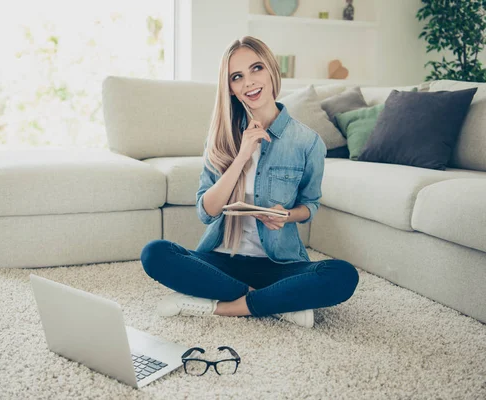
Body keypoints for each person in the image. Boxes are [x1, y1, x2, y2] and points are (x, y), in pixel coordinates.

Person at [140, 36, 358, 328]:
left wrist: (287, 215)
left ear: (270, 70)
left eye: (256, 69)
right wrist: (242, 156)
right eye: (237, 77)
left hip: (278, 264)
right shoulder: (220, 138)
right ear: (229, 87)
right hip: (221, 262)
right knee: (155, 253)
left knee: (343, 275)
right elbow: (207, 211)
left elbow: (310, 205)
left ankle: (223, 307)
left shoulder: (307, 141)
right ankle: (277, 303)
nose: (249, 82)